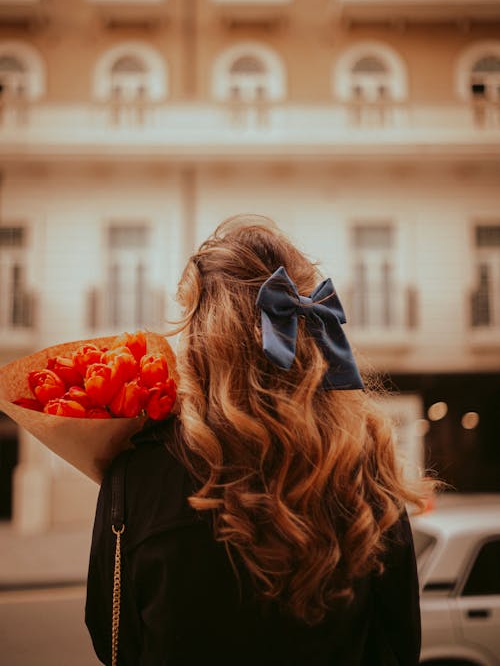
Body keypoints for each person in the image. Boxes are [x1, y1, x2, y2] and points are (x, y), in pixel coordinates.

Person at [85, 215, 431, 666]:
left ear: (201, 334)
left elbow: (112, 639)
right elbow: (400, 644)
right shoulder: (366, 464)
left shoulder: (138, 471)